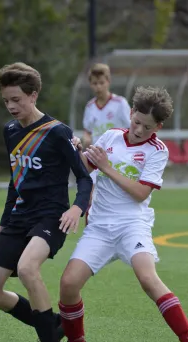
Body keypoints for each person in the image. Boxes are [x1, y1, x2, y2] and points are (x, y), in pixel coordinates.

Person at [52, 86, 188, 342]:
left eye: (147, 127)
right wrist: (74, 150)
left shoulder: (157, 151)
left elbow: (140, 193)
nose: (138, 130)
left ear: (158, 127)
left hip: (132, 225)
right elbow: (85, 168)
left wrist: (107, 167)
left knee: (148, 278)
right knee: (68, 284)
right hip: (99, 227)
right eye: (136, 122)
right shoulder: (111, 136)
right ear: (131, 112)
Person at [0, 62, 93, 342]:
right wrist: (3, 224)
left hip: (52, 217)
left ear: (33, 94)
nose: (11, 106)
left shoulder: (57, 132)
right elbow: (16, 181)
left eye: (16, 99)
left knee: (28, 268)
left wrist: (76, 209)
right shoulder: (10, 131)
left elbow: (84, 178)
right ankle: (54, 324)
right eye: (6, 100)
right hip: (20, 218)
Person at [82, 63, 131, 223]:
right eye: (95, 83)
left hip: (117, 159)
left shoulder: (120, 103)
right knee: (91, 198)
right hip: (97, 157)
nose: (98, 87)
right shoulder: (90, 106)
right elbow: (87, 130)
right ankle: (92, 233)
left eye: (101, 82)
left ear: (108, 82)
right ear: (91, 84)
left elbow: (132, 128)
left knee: (115, 200)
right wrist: (86, 138)